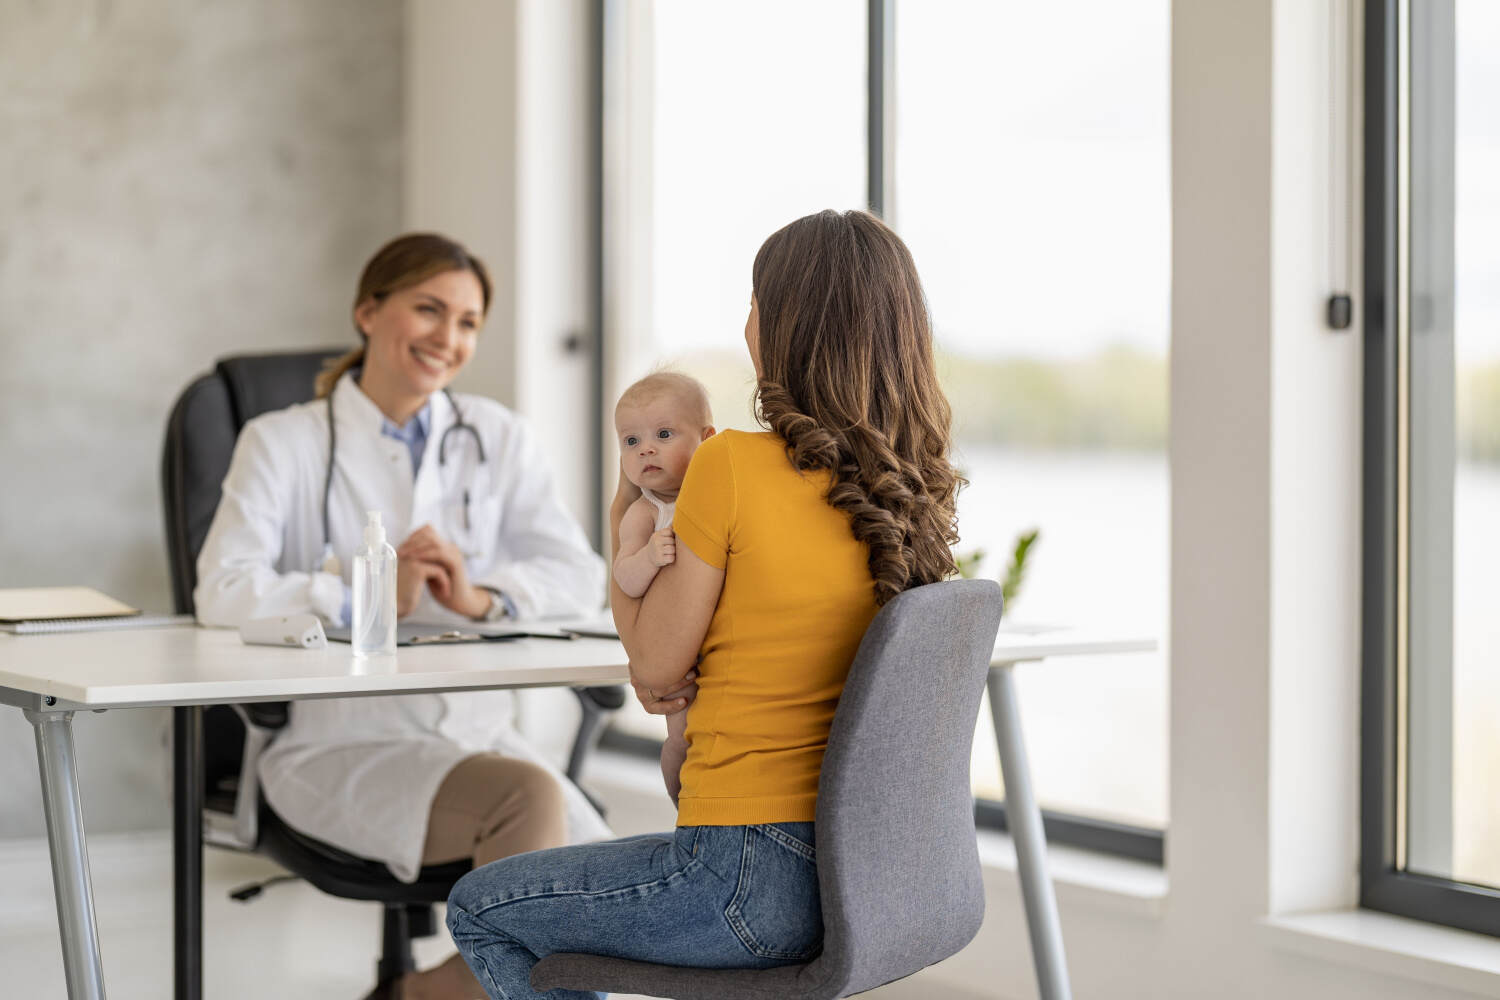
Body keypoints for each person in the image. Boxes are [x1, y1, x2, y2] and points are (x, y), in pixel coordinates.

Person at [445, 209, 963, 999]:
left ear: (783, 326)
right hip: (876, 882)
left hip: (749, 879)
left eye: (755, 302)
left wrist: (627, 504)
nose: (745, 322)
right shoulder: (912, 492)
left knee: (482, 905)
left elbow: (653, 663)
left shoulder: (729, 466)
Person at [193, 232, 612, 1000]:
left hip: (479, 736)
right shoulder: (281, 441)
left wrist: (478, 596)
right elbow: (222, 587)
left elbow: (579, 577)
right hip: (339, 745)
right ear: (367, 311)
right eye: (428, 309)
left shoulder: (496, 436)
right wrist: (360, 595)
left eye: (467, 322)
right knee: (533, 812)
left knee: (604, 923)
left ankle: (412, 996)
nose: (447, 339)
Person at [609, 371, 716, 805]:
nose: (645, 449)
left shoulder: (714, 495)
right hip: (677, 664)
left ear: (706, 440)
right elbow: (624, 577)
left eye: (664, 434)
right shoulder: (644, 512)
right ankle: (684, 813)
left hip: (716, 652)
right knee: (680, 743)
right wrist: (649, 558)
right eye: (631, 442)